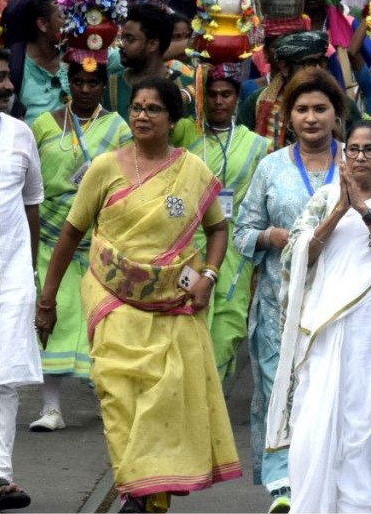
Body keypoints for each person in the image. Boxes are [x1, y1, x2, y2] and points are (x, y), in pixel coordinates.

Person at [35, 77, 241, 513]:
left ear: (172, 119)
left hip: (174, 303)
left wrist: (209, 274)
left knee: (164, 398)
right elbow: (71, 234)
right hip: (112, 297)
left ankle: (149, 495)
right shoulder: (105, 168)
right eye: (137, 108)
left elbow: (217, 228)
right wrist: (48, 299)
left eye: (154, 109)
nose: (142, 116)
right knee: (118, 396)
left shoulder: (192, 170)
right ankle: (137, 486)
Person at [266, 120, 371, 513]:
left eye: (370, 150)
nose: (360, 158)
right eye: (353, 149)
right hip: (324, 331)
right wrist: (339, 208)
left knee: (367, 431)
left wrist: (366, 212)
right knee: (313, 432)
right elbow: (300, 256)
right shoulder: (322, 199)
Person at [234, 67, 348, 513]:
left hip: (337, 300)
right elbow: (242, 231)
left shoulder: (353, 163)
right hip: (278, 303)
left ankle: (325, 478)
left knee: (326, 392)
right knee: (278, 386)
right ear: (288, 116)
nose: (312, 118)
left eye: (321, 108)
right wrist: (272, 238)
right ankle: (282, 486)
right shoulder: (271, 167)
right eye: (302, 109)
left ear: (337, 114)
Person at [29, 59, 132, 433]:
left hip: (98, 240)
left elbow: (125, 183)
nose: (85, 89)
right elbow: (32, 180)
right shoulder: (42, 125)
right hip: (51, 235)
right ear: (66, 82)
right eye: (78, 81)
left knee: (100, 322)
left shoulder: (118, 127)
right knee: (49, 318)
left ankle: (108, 404)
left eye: (92, 82)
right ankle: (51, 408)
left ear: (103, 86)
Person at [173, 66, 270, 378]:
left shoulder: (257, 145)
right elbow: (168, 104)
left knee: (229, 325)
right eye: (211, 94)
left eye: (225, 94)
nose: (218, 101)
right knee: (184, 314)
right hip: (188, 245)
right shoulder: (186, 134)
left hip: (235, 250)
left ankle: (210, 401)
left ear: (237, 98)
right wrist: (191, 88)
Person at [0, 60, 44, 511]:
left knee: (5, 376)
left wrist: (29, 274)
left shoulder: (19, 133)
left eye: (7, 77)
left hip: (10, 276)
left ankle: (1, 474)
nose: (9, 85)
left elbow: (32, 202)